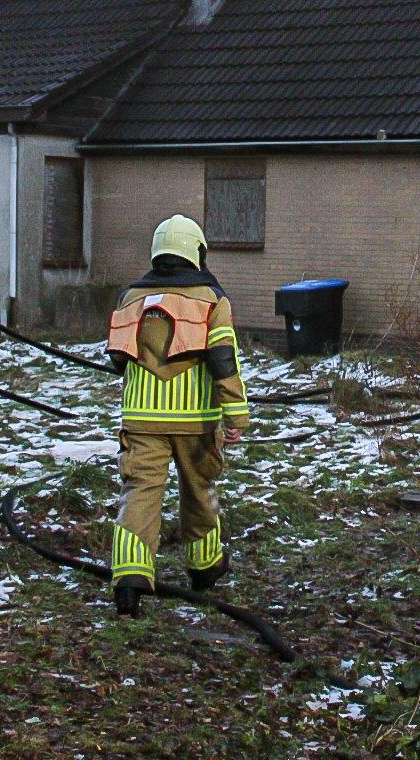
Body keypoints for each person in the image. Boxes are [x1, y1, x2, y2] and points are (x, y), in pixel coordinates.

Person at [105, 214, 251, 617]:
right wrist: (236, 415)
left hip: (142, 420)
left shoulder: (130, 298)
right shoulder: (212, 300)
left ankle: (130, 581)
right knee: (199, 490)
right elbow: (223, 361)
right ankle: (204, 568)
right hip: (196, 421)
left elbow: (119, 359)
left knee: (139, 494)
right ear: (197, 252)